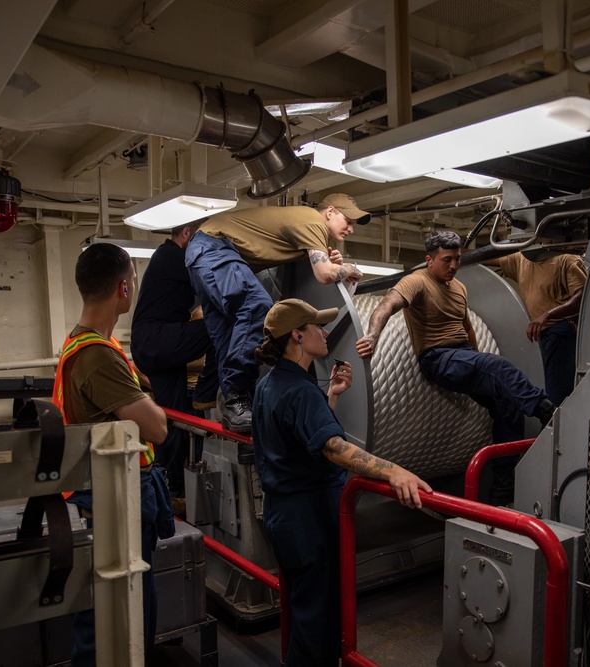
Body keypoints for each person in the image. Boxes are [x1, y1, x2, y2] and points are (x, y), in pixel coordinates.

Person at [252, 298, 431, 666]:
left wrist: (330, 398)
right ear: (297, 336)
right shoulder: (301, 391)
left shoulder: (270, 384)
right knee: (318, 628)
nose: (325, 332)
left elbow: (302, 439)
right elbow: (332, 447)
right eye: (317, 327)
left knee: (305, 613)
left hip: (284, 515)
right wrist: (392, 470)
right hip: (309, 520)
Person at [355, 231, 554, 506]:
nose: (453, 265)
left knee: (507, 406)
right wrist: (373, 336)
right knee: (496, 366)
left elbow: (467, 327)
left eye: (457, 259)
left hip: (463, 355)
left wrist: (478, 359)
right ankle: (545, 410)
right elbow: (385, 307)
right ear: (430, 260)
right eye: (446, 260)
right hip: (438, 358)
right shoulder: (416, 281)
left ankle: (503, 486)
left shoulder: (459, 287)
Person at [52, 242, 174, 666]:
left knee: (120, 613)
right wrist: (153, 404)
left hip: (114, 496)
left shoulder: (87, 342)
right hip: (115, 502)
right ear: (124, 288)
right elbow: (157, 428)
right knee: (119, 622)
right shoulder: (97, 356)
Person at [186, 193, 370, 434]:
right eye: (348, 221)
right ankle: (235, 397)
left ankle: (219, 399)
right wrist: (351, 269)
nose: (351, 229)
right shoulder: (313, 221)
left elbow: (315, 266)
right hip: (215, 248)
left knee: (229, 332)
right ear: (330, 212)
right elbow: (324, 274)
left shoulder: (306, 226)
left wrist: (333, 262)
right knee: (257, 306)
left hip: (202, 254)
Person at [131, 221, 218, 503]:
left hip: (153, 344)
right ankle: (207, 391)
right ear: (187, 233)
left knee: (174, 419)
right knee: (221, 324)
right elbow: (214, 279)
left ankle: (172, 489)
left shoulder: (168, 259)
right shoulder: (171, 255)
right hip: (157, 339)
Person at [485, 251, 586, 404]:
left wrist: (548, 315)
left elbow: (582, 296)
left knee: (558, 392)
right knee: (545, 386)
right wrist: (457, 253)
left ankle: (558, 419)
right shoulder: (522, 258)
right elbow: (489, 257)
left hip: (561, 331)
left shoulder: (566, 259)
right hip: (540, 335)